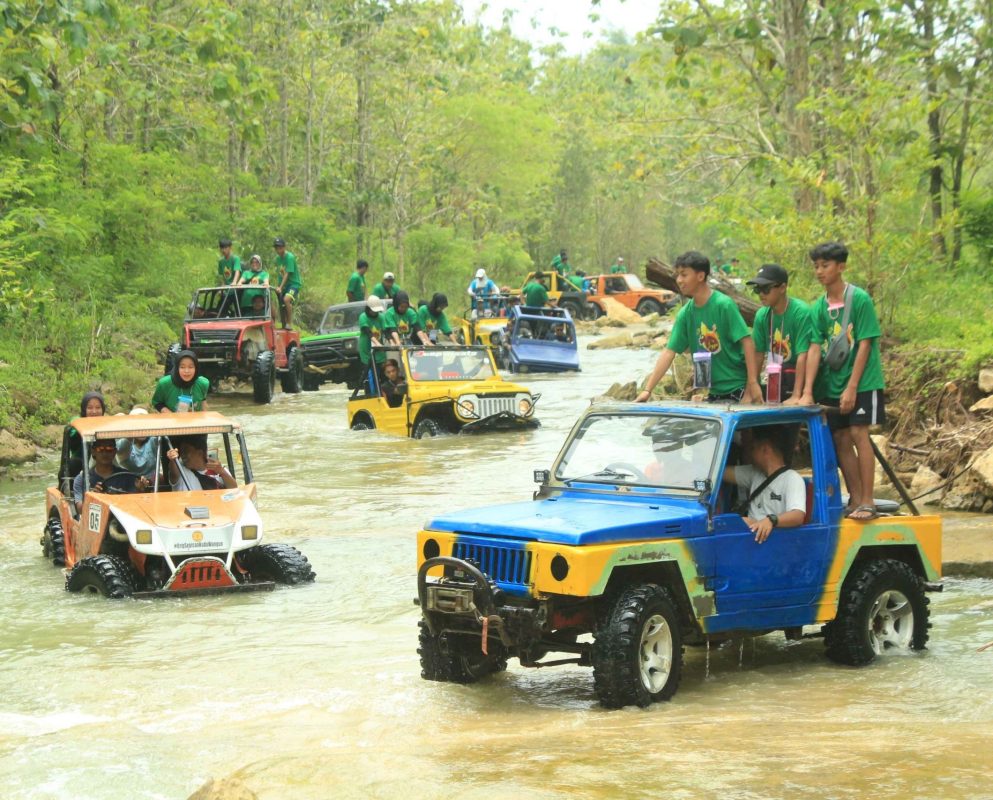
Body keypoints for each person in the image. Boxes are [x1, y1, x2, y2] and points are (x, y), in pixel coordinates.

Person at [801, 241, 885, 521]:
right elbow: (814, 348)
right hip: (830, 384)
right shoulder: (818, 308)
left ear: (841, 267)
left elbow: (865, 344)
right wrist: (808, 391)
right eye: (816, 266)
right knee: (839, 438)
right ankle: (856, 498)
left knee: (859, 433)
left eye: (825, 265)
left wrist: (852, 387)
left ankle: (869, 501)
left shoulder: (859, 299)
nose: (819, 271)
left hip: (862, 382)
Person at [635, 251, 761, 404]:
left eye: (684, 274)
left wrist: (752, 385)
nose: (679, 280)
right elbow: (669, 352)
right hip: (714, 392)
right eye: (677, 275)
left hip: (738, 387)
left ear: (701, 276)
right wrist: (647, 390)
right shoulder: (686, 314)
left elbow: (747, 342)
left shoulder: (724, 305)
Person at [746, 263, 814, 404]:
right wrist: (751, 389)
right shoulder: (762, 315)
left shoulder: (800, 313)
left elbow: (803, 356)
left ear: (782, 288)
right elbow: (757, 354)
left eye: (766, 289)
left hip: (801, 375)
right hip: (777, 377)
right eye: (758, 289)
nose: (761, 294)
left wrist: (796, 395)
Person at [724, 428, 806, 543]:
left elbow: (797, 516)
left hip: (773, 540)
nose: (750, 453)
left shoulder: (792, 478)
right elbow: (720, 473)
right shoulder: (754, 473)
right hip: (750, 536)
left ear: (765, 449)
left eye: (753, 448)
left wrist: (770, 520)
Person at [73, 439, 141, 513]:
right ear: (93, 451)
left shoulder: (127, 476)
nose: (105, 453)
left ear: (115, 452)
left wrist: (140, 490)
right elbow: (80, 509)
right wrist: (93, 498)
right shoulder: (81, 479)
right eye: (100, 449)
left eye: (109, 449)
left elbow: (136, 506)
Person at [166, 435, 237, 492]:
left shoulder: (219, 469)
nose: (182, 455)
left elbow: (234, 490)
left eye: (186, 451)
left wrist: (222, 472)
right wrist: (173, 459)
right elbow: (174, 473)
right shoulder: (180, 470)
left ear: (200, 453)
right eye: (181, 452)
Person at [68, 391, 106, 478]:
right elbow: (72, 432)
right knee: (73, 464)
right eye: (90, 408)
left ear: (103, 409)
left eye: (98, 408)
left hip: (104, 461)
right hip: (80, 465)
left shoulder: (107, 424)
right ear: (84, 409)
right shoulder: (77, 421)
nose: (94, 411)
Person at [115, 407, 159, 478]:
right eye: (138, 424)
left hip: (152, 484)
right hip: (128, 484)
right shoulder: (124, 444)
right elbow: (121, 448)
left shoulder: (153, 441)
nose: (141, 428)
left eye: (145, 424)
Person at [358, 295, 387, 391]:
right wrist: (377, 343)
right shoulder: (363, 317)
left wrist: (393, 341)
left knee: (383, 375)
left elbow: (386, 331)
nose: (375, 313)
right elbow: (368, 332)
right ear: (368, 308)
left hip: (379, 351)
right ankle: (372, 394)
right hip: (367, 351)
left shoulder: (381, 317)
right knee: (370, 375)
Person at [273, 237, 302, 329]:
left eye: (280, 247)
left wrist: (280, 287)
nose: (278, 250)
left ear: (284, 247)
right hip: (284, 285)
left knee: (286, 299)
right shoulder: (277, 259)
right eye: (277, 248)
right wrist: (278, 286)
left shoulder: (290, 257)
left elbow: (287, 274)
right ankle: (283, 324)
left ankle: (289, 322)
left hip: (294, 284)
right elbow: (280, 274)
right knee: (282, 304)